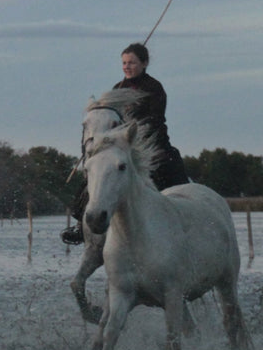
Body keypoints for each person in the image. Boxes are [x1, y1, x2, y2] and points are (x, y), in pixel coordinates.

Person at [61, 42, 190, 245]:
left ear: (144, 63)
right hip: (121, 147)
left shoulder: (154, 88)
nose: (127, 67)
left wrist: (131, 130)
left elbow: (155, 119)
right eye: (124, 63)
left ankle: (184, 217)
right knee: (97, 175)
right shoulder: (117, 89)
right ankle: (82, 226)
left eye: (131, 62)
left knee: (173, 169)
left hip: (153, 144)